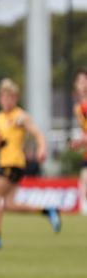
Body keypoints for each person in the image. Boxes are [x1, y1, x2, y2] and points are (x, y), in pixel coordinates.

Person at [0, 78, 60, 251]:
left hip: (14, 164)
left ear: (15, 98)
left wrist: (42, 149)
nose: (7, 100)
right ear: (0, 98)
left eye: (10, 97)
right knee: (10, 204)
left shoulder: (20, 116)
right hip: (3, 163)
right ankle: (48, 210)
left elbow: (38, 134)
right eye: (4, 97)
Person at [70, 68, 87, 209]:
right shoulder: (78, 108)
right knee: (84, 180)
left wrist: (81, 142)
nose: (81, 84)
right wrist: (80, 142)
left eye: (83, 80)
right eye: (79, 81)